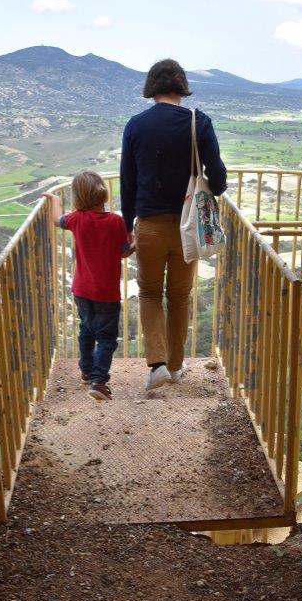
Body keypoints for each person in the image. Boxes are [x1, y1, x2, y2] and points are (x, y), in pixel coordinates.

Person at [120, 58, 227, 392]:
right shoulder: (199, 122)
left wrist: (127, 225)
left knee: (150, 292)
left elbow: (127, 182)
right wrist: (204, 190)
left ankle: (157, 365)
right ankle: (177, 367)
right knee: (179, 297)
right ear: (181, 86)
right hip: (189, 227)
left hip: (149, 226)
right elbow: (219, 178)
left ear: (151, 87)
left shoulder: (135, 126)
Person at [46, 171, 133, 401]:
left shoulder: (76, 219)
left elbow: (57, 220)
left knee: (86, 328)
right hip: (107, 293)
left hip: (82, 289)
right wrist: (137, 242)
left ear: (78, 197)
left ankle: (86, 370)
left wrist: (54, 200)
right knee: (106, 337)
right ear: (103, 193)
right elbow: (124, 252)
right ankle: (98, 380)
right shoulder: (116, 221)